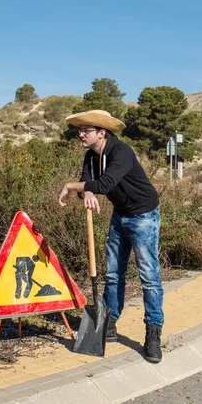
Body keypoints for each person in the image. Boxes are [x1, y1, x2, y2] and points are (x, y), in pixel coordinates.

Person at [58, 109, 164, 363]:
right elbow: (89, 183)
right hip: (120, 215)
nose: (81, 134)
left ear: (102, 133)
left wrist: (72, 186)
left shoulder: (122, 152)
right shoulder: (90, 157)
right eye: (79, 130)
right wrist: (86, 192)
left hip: (143, 216)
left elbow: (104, 185)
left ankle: (153, 333)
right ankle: (110, 323)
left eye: (86, 130)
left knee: (148, 276)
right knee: (113, 273)